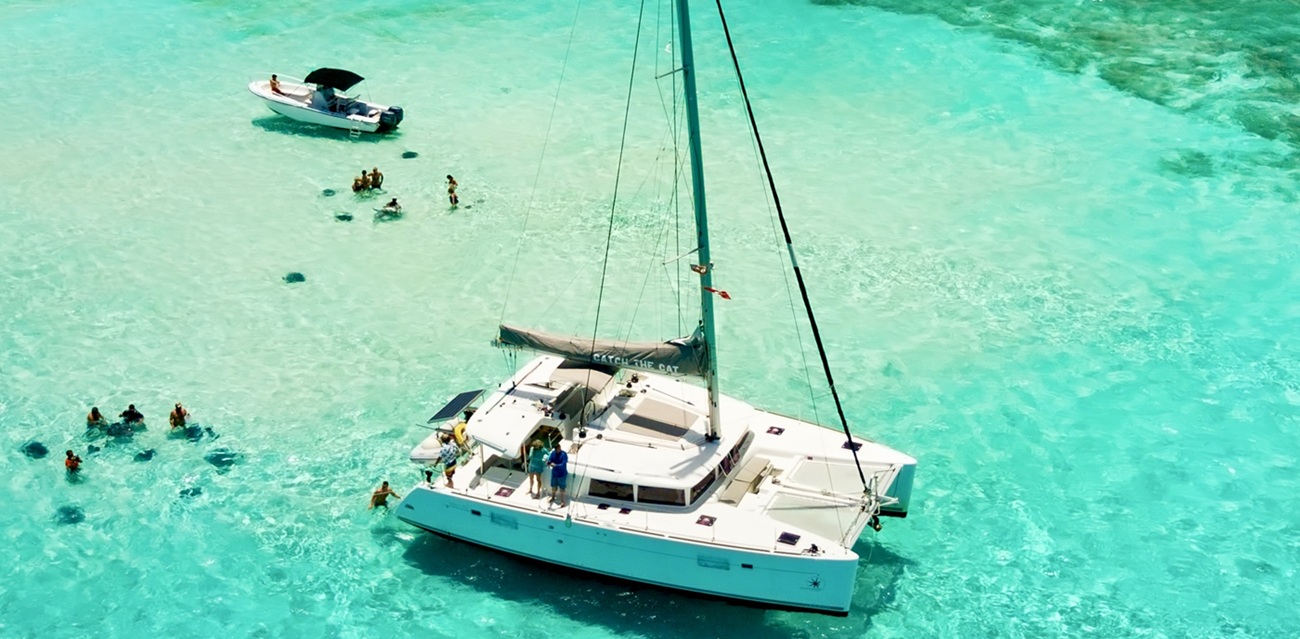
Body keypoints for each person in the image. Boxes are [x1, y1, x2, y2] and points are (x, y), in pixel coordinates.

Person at [547, 441, 569, 507]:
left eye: (558, 449)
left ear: (560, 447)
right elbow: (550, 459)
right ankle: (553, 497)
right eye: (556, 449)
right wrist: (548, 462)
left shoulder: (564, 454)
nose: (557, 450)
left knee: (562, 488)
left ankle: (562, 500)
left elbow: (563, 463)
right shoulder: (553, 453)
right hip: (554, 474)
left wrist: (556, 465)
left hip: (562, 474)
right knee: (553, 486)